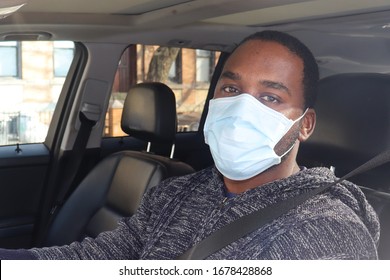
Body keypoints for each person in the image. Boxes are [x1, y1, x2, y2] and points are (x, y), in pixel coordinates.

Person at [0, 30, 379, 260]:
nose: (242, 108)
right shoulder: (177, 193)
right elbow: (108, 256)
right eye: (231, 89)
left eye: (270, 98)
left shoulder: (327, 233)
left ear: (305, 124)